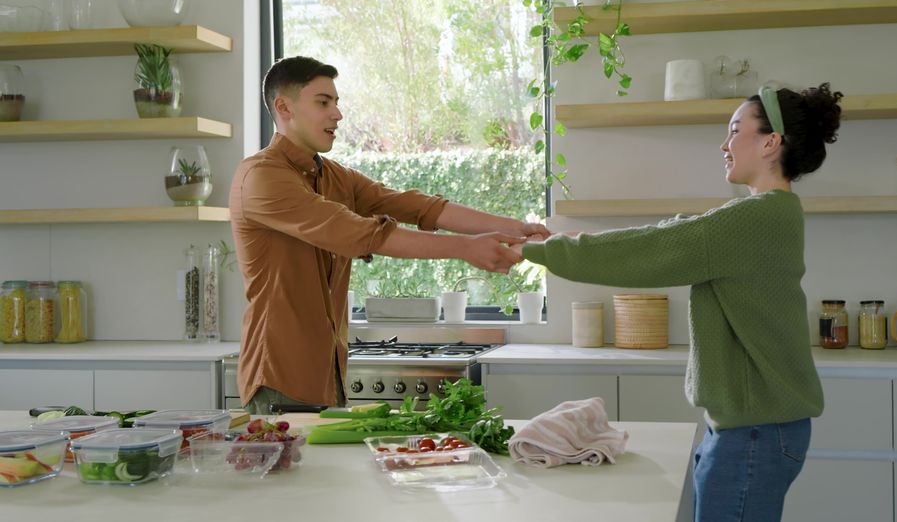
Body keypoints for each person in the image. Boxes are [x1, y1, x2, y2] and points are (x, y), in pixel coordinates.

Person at [513, 83, 843, 522]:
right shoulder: (767, 215)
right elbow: (670, 235)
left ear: (770, 142)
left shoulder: (752, 219)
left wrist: (531, 251)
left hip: (754, 433)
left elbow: (648, 251)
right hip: (756, 428)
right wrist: (559, 240)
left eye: (734, 130)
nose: (724, 144)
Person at [230, 55, 548, 414]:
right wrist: (465, 248)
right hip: (279, 378)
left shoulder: (336, 177)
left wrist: (516, 228)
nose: (337, 114)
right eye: (323, 102)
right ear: (283, 107)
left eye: (336, 103)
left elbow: (416, 206)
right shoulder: (260, 177)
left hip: (329, 374)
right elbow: (361, 234)